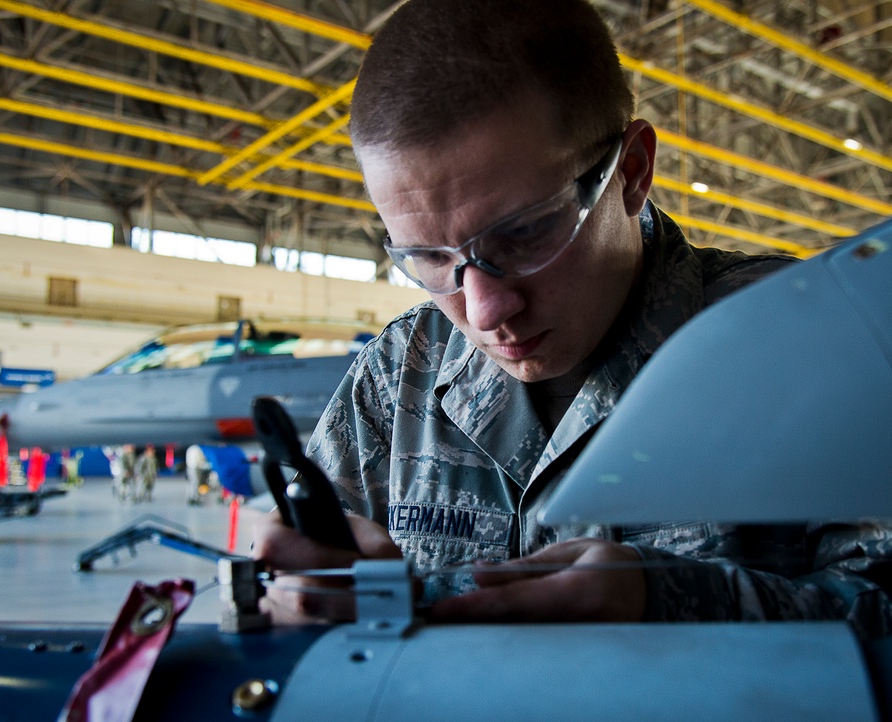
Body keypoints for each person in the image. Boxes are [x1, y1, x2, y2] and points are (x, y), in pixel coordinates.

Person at [253, 0, 892, 637]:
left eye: (525, 233)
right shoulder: (397, 378)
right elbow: (300, 599)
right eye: (427, 257)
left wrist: (670, 603)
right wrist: (295, 596)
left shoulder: (812, 344)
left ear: (633, 171)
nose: (483, 310)